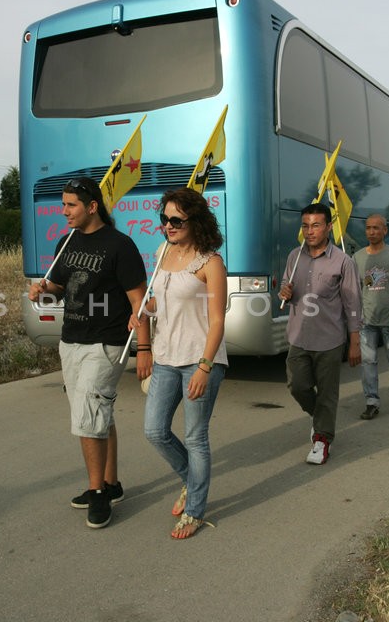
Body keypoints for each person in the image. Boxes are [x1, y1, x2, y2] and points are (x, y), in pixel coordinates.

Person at [27, 177, 150, 530]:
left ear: (92, 206)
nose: (63, 212)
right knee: (98, 413)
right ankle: (111, 484)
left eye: (71, 205)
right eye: (63, 204)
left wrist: (145, 348)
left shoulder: (120, 246)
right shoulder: (65, 242)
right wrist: (43, 291)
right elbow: (59, 290)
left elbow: (138, 302)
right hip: (72, 341)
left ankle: (97, 493)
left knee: (87, 416)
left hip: (106, 343)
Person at [133, 187, 228, 540]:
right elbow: (162, 302)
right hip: (166, 357)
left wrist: (205, 366)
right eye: (164, 219)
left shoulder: (211, 263)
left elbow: (217, 320)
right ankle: (192, 480)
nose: (168, 226)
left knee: (195, 436)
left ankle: (195, 511)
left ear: (195, 221)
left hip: (199, 359)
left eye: (176, 220)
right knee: (154, 430)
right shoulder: (162, 253)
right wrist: (143, 309)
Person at [279, 203, 361, 465]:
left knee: (327, 392)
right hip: (298, 336)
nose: (310, 231)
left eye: (316, 225)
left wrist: (355, 342)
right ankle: (321, 419)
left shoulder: (343, 261)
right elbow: (285, 285)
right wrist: (284, 292)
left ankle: (322, 440)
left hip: (329, 339)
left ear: (328, 226)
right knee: (297, 385)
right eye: (305, 226)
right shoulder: (294, 256)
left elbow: (353, 304)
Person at [353, 214, 389, 419]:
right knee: (368, 361)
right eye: (368, 228)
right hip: (366, 319)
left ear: (385, 230)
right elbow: (360, 287)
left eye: (376, 228)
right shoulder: (358, 257)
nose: (372, 232)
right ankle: (371, 401)